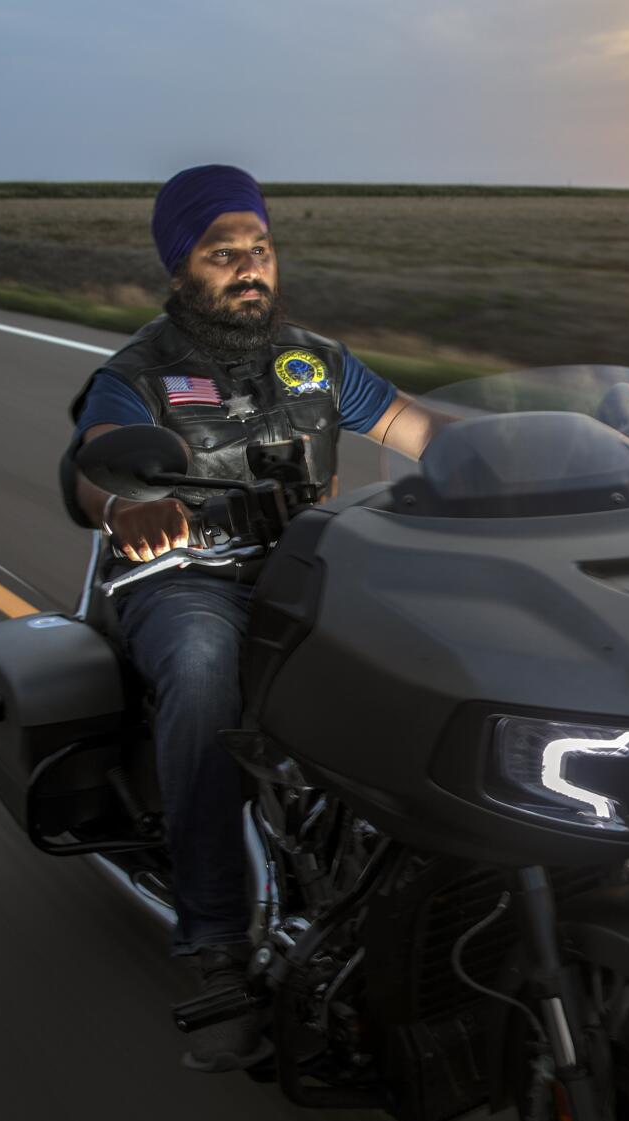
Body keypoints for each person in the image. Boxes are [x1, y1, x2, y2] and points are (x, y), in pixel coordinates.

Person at [60, 164, 445, 1071]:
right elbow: (93, 462)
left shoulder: (316, 360)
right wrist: (124, 508)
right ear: (181, 268)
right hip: (186, 580)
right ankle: (214, 941)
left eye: (260, 250)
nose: (249, 269)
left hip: (315, 568)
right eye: (222, 252)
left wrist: (548, 455)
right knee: (202, 669)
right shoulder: (138, 374)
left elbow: (424, 432)